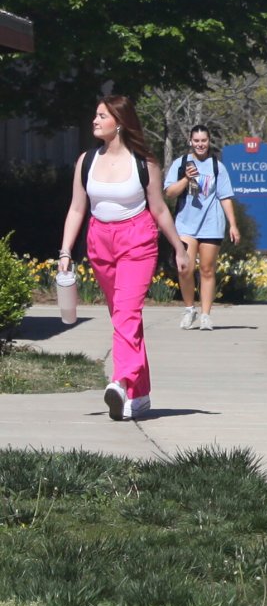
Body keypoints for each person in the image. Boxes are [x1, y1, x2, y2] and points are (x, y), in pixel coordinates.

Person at [55, 95, 183, 421]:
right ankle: (140, 395)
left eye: (101, 116)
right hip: (99, 241)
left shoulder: (144, 162)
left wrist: (179, 248)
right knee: (123, 318)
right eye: (95, 115)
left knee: (126, 313)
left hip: (137, 240)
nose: (94, 121)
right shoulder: (86, 161)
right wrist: (66, 251)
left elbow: (158, 208)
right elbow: (76, 208)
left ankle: (120, 382)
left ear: (120, 122)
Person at [162, 125, 240, 330]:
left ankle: (206, 314)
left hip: (211, 224)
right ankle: (190, 309)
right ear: (190, 141)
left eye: (203, 140)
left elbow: (225, 197)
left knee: (207, 269)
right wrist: (186, 179)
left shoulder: (217, 167)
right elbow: (169, 193)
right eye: (196, 141)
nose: (200, 144)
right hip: (185, 225)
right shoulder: (180, 164)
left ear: (209, 141)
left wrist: (233, 224)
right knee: (185, 268)